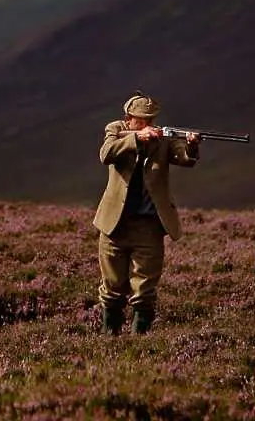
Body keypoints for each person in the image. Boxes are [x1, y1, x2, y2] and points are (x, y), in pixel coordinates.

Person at [92, 91, 200, 335]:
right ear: (128, 119)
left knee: (145, 289)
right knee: (112, 287)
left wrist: (192, 146)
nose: (147, 125)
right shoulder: (116, 130)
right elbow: (106, 153)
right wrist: (135, 139)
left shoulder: (162, 138)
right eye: (141, 120)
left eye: (150, 120)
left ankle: (138, 342)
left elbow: (184, 158)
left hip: (149, 227)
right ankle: (110, 339)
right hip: (114, 224)